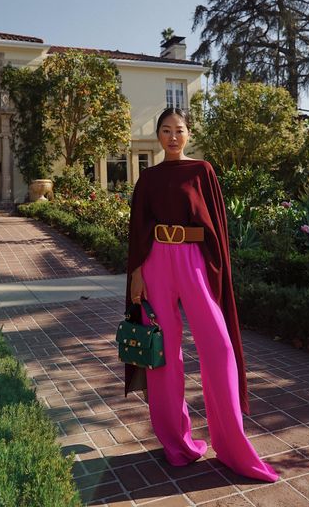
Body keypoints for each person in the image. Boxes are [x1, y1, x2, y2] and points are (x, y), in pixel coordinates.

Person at [124, 107, 279, 482]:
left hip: (194, 261)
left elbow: (215, 225)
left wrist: (215, 270)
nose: (173, 136)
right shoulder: (147, 178)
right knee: (164, 352)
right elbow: (139, 228)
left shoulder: (202, 170)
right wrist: (136, 275)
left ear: (188, 134)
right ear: (157, 135)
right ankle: (177, 445)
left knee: (219, 345)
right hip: (156, 262)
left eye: (179, 130)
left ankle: (231, 445)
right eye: (165, 130)